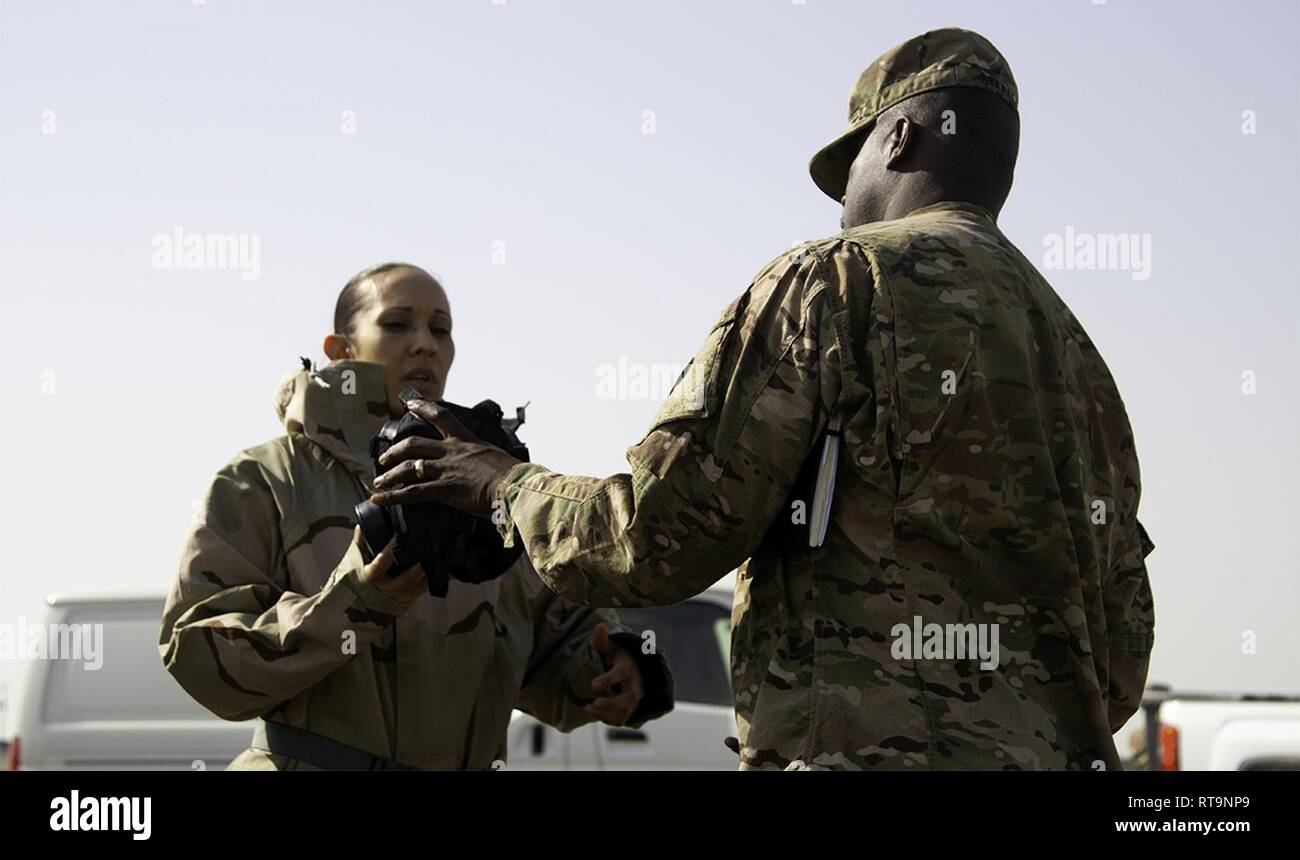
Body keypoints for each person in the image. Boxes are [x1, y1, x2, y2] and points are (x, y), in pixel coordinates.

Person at [371, 29, 1154, 771]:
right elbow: (1121, 656)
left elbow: (656, 537)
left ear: (899, 140)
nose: (843, 203)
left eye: (848, 168)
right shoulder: (1084, 364)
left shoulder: (836, 281)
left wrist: (499, 486)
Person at [159, 262, 673, 770]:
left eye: (441, 329)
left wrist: (608, 672)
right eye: (397, 323)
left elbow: (556, 642)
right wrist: (357, 601)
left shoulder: (484, 486)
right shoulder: (265, 478)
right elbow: (199, 653)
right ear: (341, 350)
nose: (425, 343)